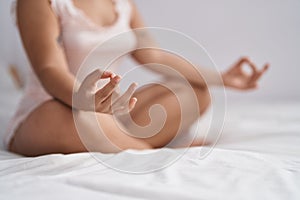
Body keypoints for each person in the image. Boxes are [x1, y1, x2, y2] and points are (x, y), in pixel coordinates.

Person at [6, 0, 269, 156]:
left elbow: (155, 56)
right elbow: (50, 68)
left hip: (112, 113)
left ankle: (126, 144)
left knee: (196, 92)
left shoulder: (122, 4)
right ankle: (153, 153)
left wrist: (221, 78)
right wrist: (85, 100)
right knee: (86, 122)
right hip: (55, 110)